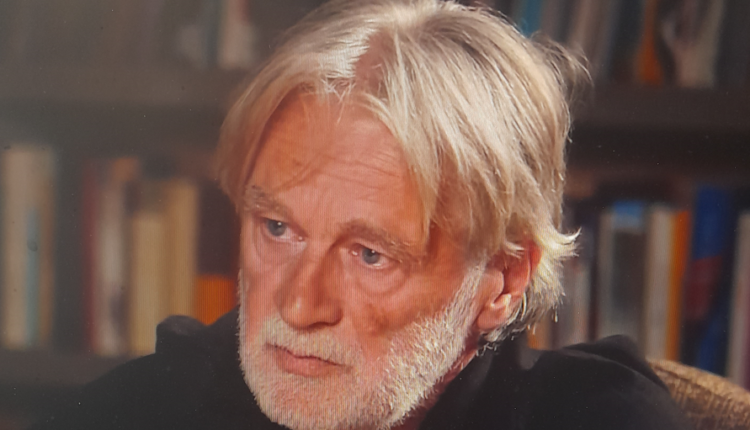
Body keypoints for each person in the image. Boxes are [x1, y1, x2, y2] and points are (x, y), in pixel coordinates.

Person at [32, 0, 693, 429]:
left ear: (504, 278)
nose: (299, 305)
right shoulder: (137, 411)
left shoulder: (600, 419)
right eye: (277, 228)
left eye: (370, 254)